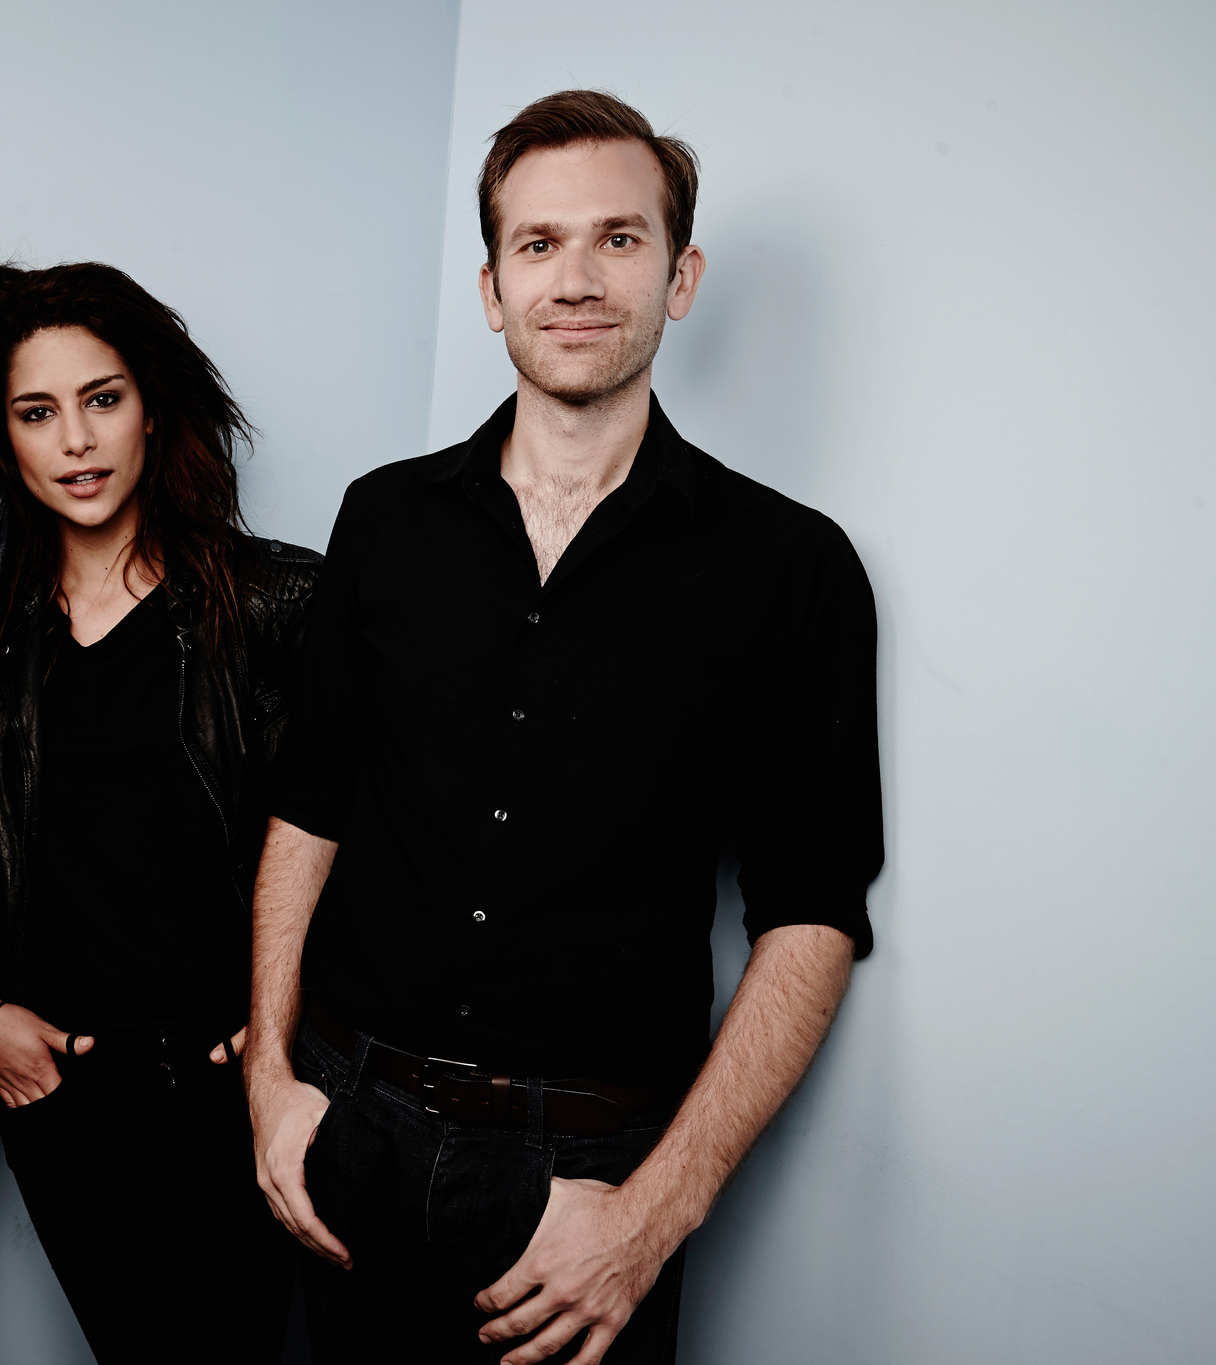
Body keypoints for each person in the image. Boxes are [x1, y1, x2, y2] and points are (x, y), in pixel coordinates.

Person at [245, 89, 884, 1365]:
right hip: (346, 1125)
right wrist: (269, 1084)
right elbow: (307, 809)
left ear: (679, 273)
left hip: (585, 1185)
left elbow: (810, 915)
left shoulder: (789, 568)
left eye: (617, 238)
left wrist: (655, 1215)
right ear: (490, 288)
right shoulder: (383, 523)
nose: (576, 279)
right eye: (536, 245)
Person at [0, 262, 315, 1365]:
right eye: (36, 412)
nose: (75, 441)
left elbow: (362, 836)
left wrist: (289, 1030)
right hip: (64, 1093)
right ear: (1, 437)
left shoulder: (280, 605)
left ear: (151, 406)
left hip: (232, 1088)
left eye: (101, 399)